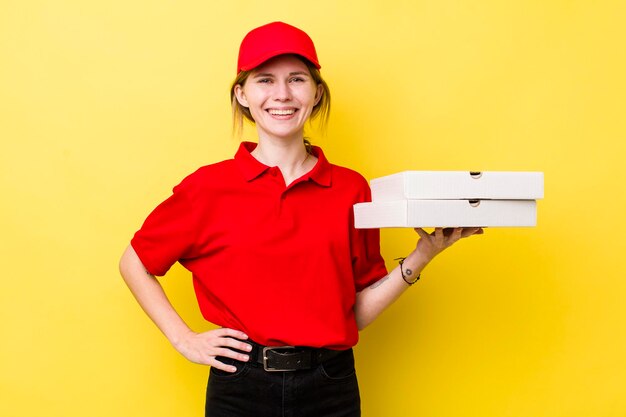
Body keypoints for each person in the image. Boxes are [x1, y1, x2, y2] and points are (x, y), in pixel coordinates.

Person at [119, 21, 482, 417]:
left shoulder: (351, 189)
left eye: (296, 79)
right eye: (264, 80)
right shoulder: (208, 187)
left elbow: (354, 314)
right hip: (240, 386)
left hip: (331, 386)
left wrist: (422, 255)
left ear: (316, 92)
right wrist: (183, 338)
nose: (282, 95)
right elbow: (134, 261)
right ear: (242, 93)